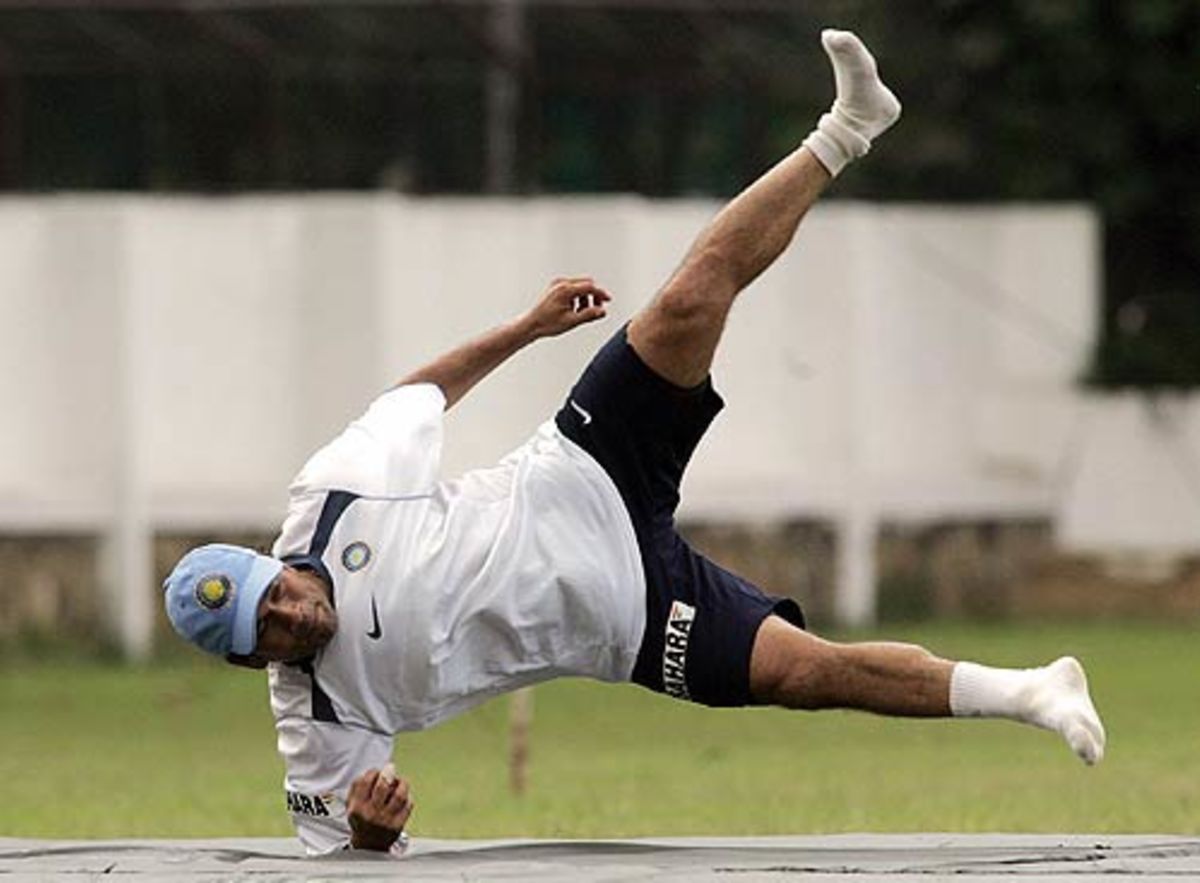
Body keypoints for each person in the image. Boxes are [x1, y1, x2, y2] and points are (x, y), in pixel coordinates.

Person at [163, 29, 1105, 856]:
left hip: (578, 471)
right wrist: (375, 834)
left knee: (691, 296)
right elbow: (343, 847)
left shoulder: (330, 500)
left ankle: (849, 125)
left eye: (274, 592)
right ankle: (1032, 691)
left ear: (270, 562)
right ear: (252, 664)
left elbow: (419, 395)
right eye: (269, 634)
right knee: (810, 672)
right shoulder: (316, 716)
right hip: (626, 617)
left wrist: (526, 329)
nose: (290, 615)